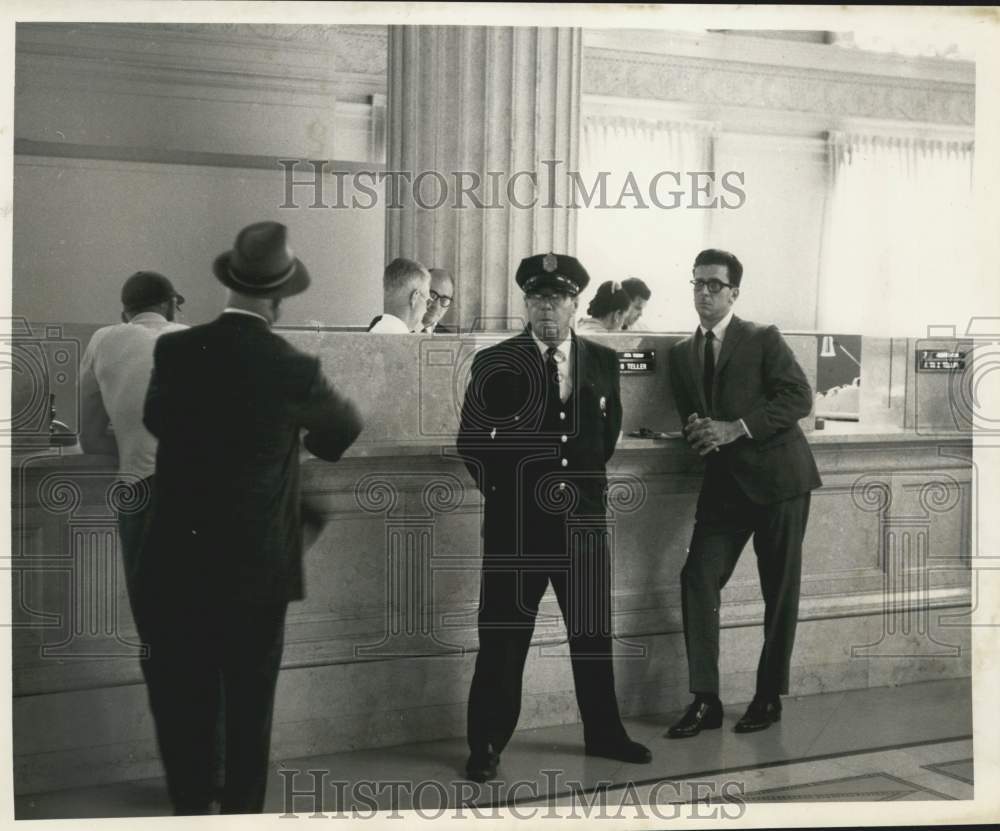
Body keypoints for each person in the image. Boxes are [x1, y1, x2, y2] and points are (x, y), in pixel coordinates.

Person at [138, 221, 364, 814]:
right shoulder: (294, 368)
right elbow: (344, 428)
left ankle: (191, 810)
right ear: (280, 297)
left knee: (183, 701)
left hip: (178, 560)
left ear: (230, 282)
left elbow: (157, 422)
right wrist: (295, 441)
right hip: (257, 568)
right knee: (248, 708)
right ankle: (242, 815)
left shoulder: (175, 349)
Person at [457, 251, 652, 783]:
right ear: (526, 303)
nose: (548, 308)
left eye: (558, 298)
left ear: (575, 304)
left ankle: (605, 733)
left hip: (583, 524)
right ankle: (487, 743)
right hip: (517, 528)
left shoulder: (602, 361)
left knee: (592, 633)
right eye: (538, 298)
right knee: (503, 638)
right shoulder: (496, 361)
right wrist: (511, 499)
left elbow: (603, 441)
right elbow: (472, 445)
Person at [666, 249, 821, 739]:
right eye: (698, 283)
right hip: (723, 489)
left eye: (715, 284)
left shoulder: (762, 338)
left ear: (734, 291)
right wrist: (696, 429)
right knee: (697, 577)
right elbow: (695, 412)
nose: (705, 293)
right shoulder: (681, 354)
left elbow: (798, 397)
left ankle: (768, 695)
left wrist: (736, 427)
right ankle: (705, 699)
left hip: (780, 482)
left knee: (779, 591)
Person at [79, 270, 187, 600]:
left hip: (141, 490)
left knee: (152, 612)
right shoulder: (196, 338)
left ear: (124, 314)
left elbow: (90, 439)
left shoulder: (104, 339)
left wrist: (133, 442)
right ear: (171, 305)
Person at [367, 257, 431, 332]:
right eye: (427, 301)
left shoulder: (376, 329)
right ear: (414, 297)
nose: (426, 310)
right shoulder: (403, 339)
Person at [420, 267, 457, 333]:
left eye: (444, 299)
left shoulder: (450, 339)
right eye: (432, 295)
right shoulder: (399, 329)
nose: (436, 306)